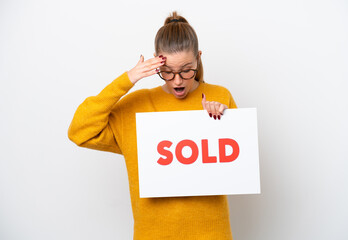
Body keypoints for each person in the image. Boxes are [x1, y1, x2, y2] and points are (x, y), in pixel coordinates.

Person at [68, 11, 237, 240]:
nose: (177, 80)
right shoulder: (136, 106)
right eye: (167, 72)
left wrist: (222, 122)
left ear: (198, 58)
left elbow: (238, 165)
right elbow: (79, 131)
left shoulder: (220, 96)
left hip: (212, 234)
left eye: (187, 70)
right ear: (157, 62)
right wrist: (128, 79)